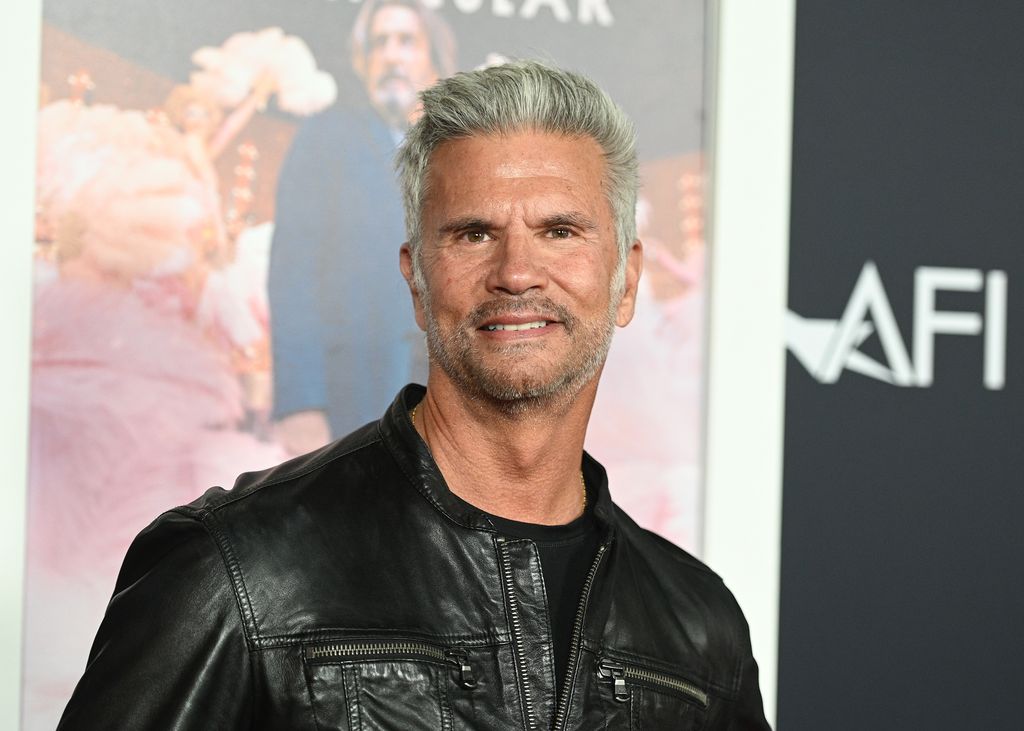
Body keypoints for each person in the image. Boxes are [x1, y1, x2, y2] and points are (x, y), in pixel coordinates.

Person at [59, 61, 771, 729]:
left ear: (627, 277)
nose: (517, 271)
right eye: (473, 233)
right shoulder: (237, 570)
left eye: (560, 230)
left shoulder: (700, 631)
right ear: (416, 280)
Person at [268, 0, 456, 455]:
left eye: (407, 41)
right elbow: (293, 274)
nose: (391, 56)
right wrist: (301, 403)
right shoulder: (325, 139)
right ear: (362, 62)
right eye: (379, 44)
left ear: (435, 58)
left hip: (453, 411)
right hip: (352, 405)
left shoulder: (466, 150)